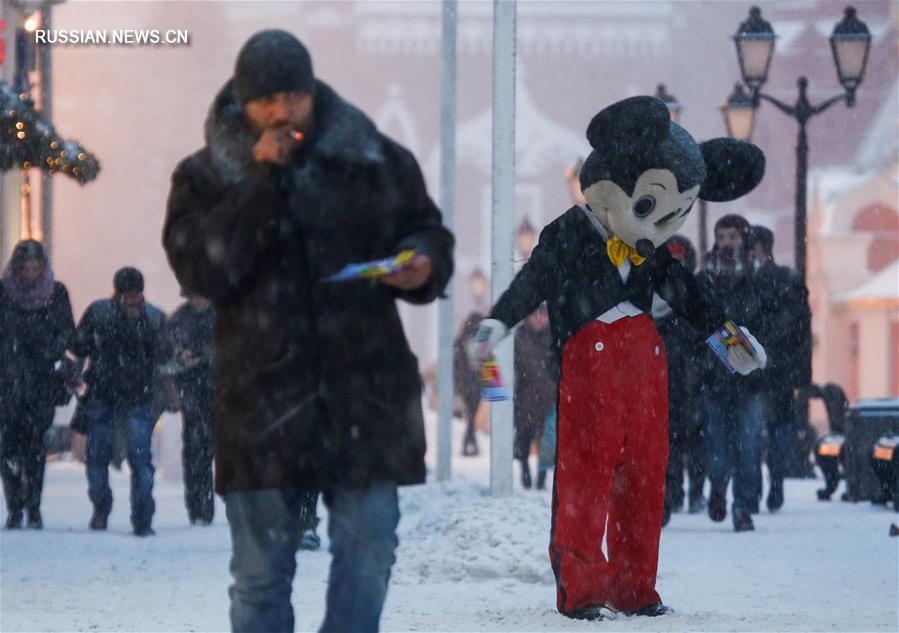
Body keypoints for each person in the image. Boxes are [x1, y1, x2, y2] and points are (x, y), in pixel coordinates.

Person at [163, 30, 453, 633]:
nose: (281, 112)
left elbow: (425, 228)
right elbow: (202, 267)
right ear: (243, 103)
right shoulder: (205, 175)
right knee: (261, 574)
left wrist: (421, 260)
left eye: (293, 96)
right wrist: (260, 185)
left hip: (364, 393)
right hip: (262, 402)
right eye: (266, 100)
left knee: (370, 552)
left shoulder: (370, 158)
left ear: (313, 92)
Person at [69, 267, 170, 537]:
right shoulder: (154, 317)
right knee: (132, 460)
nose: (132, 302)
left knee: (110, 458)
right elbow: (165, 355)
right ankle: (137, 517)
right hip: (130, 394)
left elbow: (78, 346)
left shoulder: (102, 312)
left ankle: (120, 513)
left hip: (116, 393)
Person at [697, 215, 774, 532]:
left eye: (733, 236)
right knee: (716, 444)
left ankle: (742, 506)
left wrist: (755, 350)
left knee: (748, 444)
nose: (727, 242)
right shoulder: (705, 279)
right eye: (722, 236)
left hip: (750, 378)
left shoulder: (759, 279)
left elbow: (770, 323)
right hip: (714, 377)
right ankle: (717, 488)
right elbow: (696, 323)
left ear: (744, 239)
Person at [0, 240, 75, 529]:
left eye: (36, 267)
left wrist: (49, 347)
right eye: (26, 267)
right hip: (8, 378)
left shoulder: (56, 293)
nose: (31, 273)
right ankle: (14, 507)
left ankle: (33, 507)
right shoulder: (5, 293)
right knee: (8, 447)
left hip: (41, 380)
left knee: (34, 446)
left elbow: (66, 331)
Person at [750, 225, 812, 511]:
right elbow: (801, 329)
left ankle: (759, 488)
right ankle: (774, 484)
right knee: (777, 430)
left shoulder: (753, 280)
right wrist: (801, 371)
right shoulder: (788, 279)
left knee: (756, 430)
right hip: (781, 370)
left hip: (759, 367)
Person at [654, 236, 706, 526]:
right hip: (662, 381)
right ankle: (669, 497)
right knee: (668, 444)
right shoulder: (653, 293)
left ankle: (691, 490)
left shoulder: (693, 292)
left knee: (692, 443)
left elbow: (705, 331)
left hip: (691, 382)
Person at [168, 289, 217, 525]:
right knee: (196, 451)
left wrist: (204, 357)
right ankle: (199, 508)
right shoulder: (179, 318)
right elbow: (167, 347)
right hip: (194, 393)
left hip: (220, 393)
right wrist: (180, 356)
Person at [513, 304, 556, 490]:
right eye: (536, 314)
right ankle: (524, 472)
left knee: (546, 441)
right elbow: (513, 368)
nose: (540, 319)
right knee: (524, 439)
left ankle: (541, 478)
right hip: (525, 399)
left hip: (549, 398)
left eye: (544, 315)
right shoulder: (519, 337)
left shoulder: (555, 336)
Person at [453, 312, 484, 457]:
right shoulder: (475, 343)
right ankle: (470, 444)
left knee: (471, 416)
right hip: (472, 385)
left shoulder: (461, 342)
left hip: (469, 385)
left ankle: (469, 444)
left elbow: (457, 366)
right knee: (471, 415)